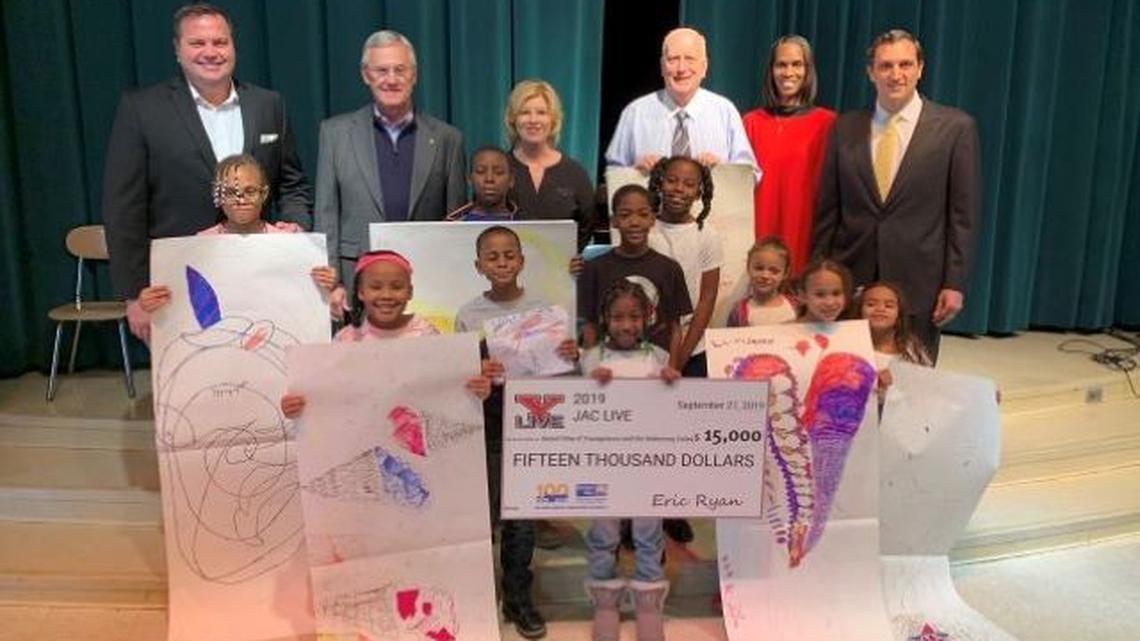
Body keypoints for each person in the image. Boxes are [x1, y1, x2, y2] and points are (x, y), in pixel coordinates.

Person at [103, 2, 312, 343]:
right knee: (195, 370)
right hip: (179, 281)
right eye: (198, 43)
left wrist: (295, 225)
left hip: (261, 275)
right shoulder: (142, 110)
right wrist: (133, 293)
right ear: (177, 50)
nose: (211, 52)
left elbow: (292, 183)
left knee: (263, 368)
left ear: (233, 46)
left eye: (220, 42)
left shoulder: (268, 104)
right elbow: (123, 208)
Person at [813, 29, 980, 361]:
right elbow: (828, 210)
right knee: (846, 379)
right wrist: (818, 271)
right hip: (852, 280)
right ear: (870, 72)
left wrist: (955, 283)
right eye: (886, 66)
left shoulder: (956, 128)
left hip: (919, 285)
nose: (896, 74)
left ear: (921, 68)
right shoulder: (845, 127)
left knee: (912, 385)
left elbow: (964, 216)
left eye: (905, 64)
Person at [453, 226, 577, 640]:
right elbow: (459, 374)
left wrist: (569, 354)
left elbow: (560, 372)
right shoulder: (468, 315)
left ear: (522, 261)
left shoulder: (544, 310)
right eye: (493, 257)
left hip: (530, 425)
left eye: (509, 255)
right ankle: (476, 595)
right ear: (479, 266)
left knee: (521, 519)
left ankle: (518, 597)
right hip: (487, 425)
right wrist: (475, 368)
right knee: (484, 517)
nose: (502, 262)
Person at [315, 30, 466, 289]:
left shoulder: (448, 139)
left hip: (427, 279)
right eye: (382, 70)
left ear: (414, 75)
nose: (392, 79)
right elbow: (326, 213)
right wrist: (333, 282)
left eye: (400, 70)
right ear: (366, 75)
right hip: (355, 281)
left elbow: (455, 223)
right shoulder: (335, 134)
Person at [581, 279, 679, 641]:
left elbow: (672, 408)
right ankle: (605, 601)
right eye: (618, 317)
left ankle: (648, 601)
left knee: (648, 530)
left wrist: (671, 382)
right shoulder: (592, 358)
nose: (626, 325)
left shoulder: (659, 357)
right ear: (605, 319)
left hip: (646, 464)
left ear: (647, 317)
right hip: (603, 463)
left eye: (634, 317)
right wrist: (590, 383)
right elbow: (574, 409)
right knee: (604, 530)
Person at [280, 251, 490, 420]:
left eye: (397, 287)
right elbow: (330, 395)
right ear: (361, 292)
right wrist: (299, 408)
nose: (387, 295)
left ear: (410, 291)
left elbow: (449, 386)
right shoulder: (346, 340)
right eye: (375, 287)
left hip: (419, 443)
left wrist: (476, 389)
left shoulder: (427, 333)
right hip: (362, 442)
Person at [137, 155, 335, 315]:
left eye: (250, 191)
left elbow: (310, 297)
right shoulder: (200, 245)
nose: (241, 200)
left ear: (264, 194)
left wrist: (327, 282)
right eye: (231, 192)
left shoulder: (289, 241)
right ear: (218, 196)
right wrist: (152, 301)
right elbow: (181, 301)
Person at [605, 28, 758, 178]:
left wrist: (723, 170)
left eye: (690, 59)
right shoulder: (635, 113)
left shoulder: (725, 112)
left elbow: (751, 175)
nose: (681, 68)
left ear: (704, 67)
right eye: (673, 59)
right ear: (662, 66)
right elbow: (612, 173)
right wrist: (634, 172)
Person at [743, 35, 835, 273]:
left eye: (797, 64)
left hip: (804, 236)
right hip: (757, 238)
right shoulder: (751, 123)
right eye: (781, 65)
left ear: (808, 70)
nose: (788, 72)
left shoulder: (827, 123)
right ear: (771, 71)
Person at [578, 185, 691, 364]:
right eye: (625, 215)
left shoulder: (670, 269)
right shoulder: (594, 269)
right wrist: (590, 370)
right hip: (608, 369)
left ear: (653, 219)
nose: (634, 222)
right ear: (614, 221)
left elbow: (675, 329)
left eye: (643, 215)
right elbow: (590, 327)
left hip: (654, 370)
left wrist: (672, 368)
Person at [504, 80, 596, 249]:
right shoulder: (498, 170)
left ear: (553, 120)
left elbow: (586, 226)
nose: (533, 120)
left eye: (541, 113)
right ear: (513, 119)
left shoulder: (575, 173)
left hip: (560, 264)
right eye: (524, 112)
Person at [860, 280, 932, 398]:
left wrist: (894, 386)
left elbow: (923, 389)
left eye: (889, 306)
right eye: (871, 304)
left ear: (899, 315)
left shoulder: (912, 350)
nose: (880, 309)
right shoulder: (848, 346)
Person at [727, 236, 797, 327]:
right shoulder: (739, 311)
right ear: (748, 268)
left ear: (785, 273)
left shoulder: (796, 307)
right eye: (759, 268)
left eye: (774, 271)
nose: (765, 276)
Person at [446, 147, 518, 222]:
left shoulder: (522, 221)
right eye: (480, 171)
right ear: (470, 178)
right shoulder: (452, 225)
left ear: (511, 180)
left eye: (498, 172)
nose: (489, 178)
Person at [797, 258, 853, 324]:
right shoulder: (788, 329)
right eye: (820, 294)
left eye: (836, 293)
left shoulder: (853, 328)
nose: (830, 302)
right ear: (803, 296)